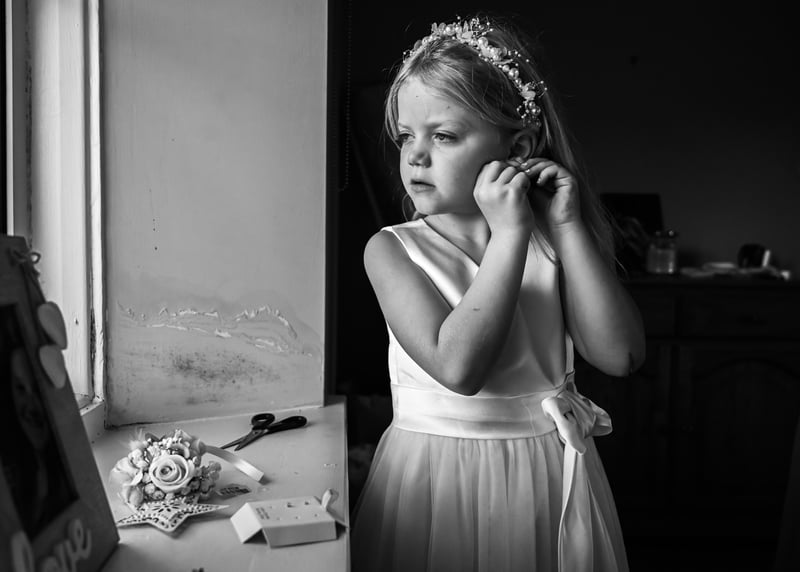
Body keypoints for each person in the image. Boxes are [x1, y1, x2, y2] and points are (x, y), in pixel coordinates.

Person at [351, 13, 646, 572]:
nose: (415, 155)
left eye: (443, 136)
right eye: (405, 136)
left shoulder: (553, 241)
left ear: (518, 147)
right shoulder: (392, 250)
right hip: (439, 484)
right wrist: (510, 234)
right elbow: (459, 370)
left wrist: (566, 226)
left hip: (544, 478)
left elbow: (621, 355)